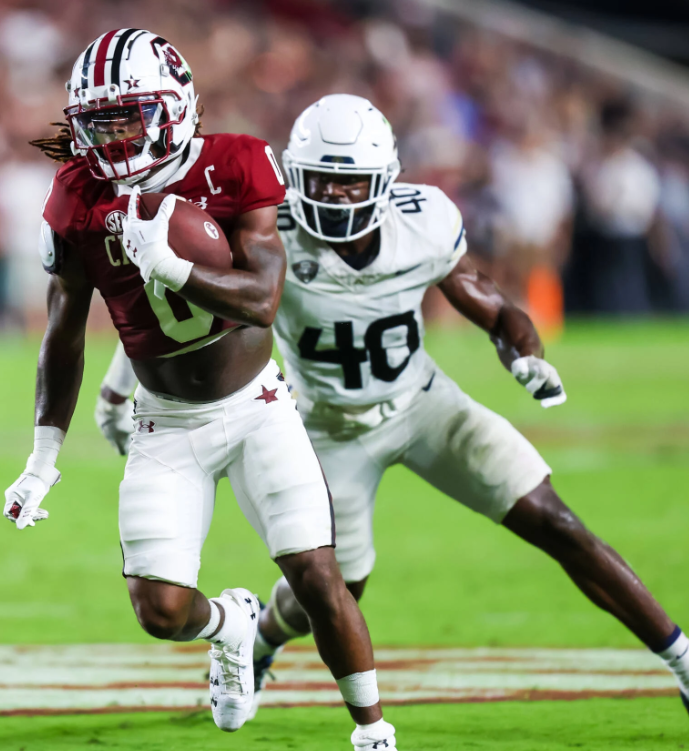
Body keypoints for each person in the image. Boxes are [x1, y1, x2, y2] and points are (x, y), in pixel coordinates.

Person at [95, 93, 689, 720]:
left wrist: (523, 354)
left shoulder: (423, 221)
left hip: (424, 405)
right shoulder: (267, 230)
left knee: (557, 522)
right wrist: (116, 384)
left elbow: (486, 300)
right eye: (321, 181)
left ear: (384, 181)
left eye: (351, 184)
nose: (336, 197)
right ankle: (264, 636)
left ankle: (682, 662)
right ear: (294, 176)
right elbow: (173, 311)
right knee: (333, 589)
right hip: (327, 428)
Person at [12, 32, 397, 749]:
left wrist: (172, 266)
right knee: (159, 610)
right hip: (166, 421)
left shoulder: (238, 163)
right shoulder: (75, 195)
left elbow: (263, 298)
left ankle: (373, 729)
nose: (116, 138)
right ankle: (232, 624)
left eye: (131, 118)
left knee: (317, 572)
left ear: (177, 104)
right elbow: (63, 334)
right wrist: (42, 458)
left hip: (257, 407)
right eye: (101, 124)